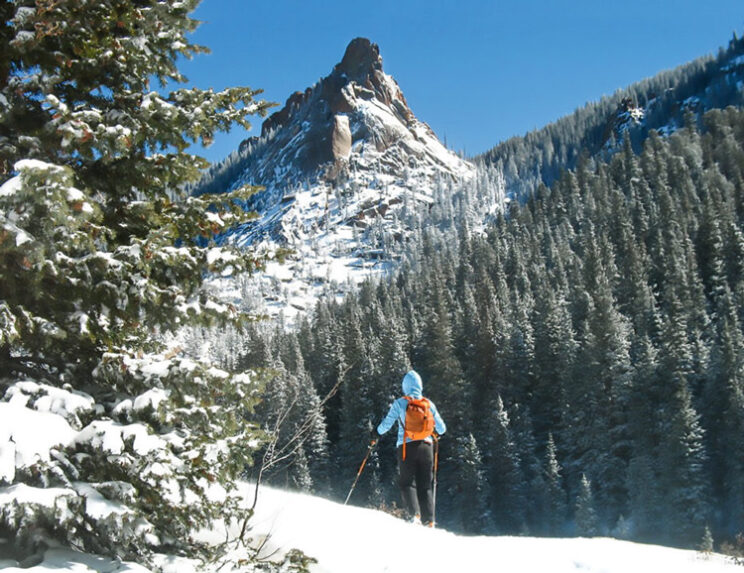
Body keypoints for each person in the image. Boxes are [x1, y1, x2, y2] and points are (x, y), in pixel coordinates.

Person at [373, 370, 446, 527]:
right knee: (425, 485)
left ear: (405, 387)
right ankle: (429, 520)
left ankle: (414, 514)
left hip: (407, 446)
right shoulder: (428, 404)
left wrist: (375, 433)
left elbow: (387, 424)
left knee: (407, 482)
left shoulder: (401, 403)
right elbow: (442, 429)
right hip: (427, 447)